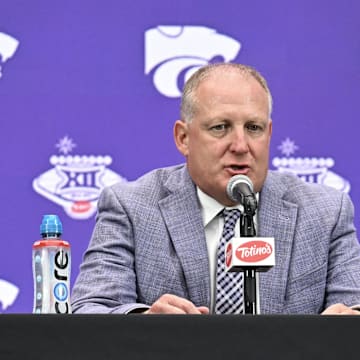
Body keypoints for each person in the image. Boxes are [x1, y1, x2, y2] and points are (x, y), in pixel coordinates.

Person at [71, 62, 360, 315]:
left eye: (254, 128)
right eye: (220, 127)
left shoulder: (325, 213)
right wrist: (143, 321)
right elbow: (90, 309)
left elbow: (355, 304)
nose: (240, 145)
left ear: (269, 134)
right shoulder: (131, 207)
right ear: (183, 138)